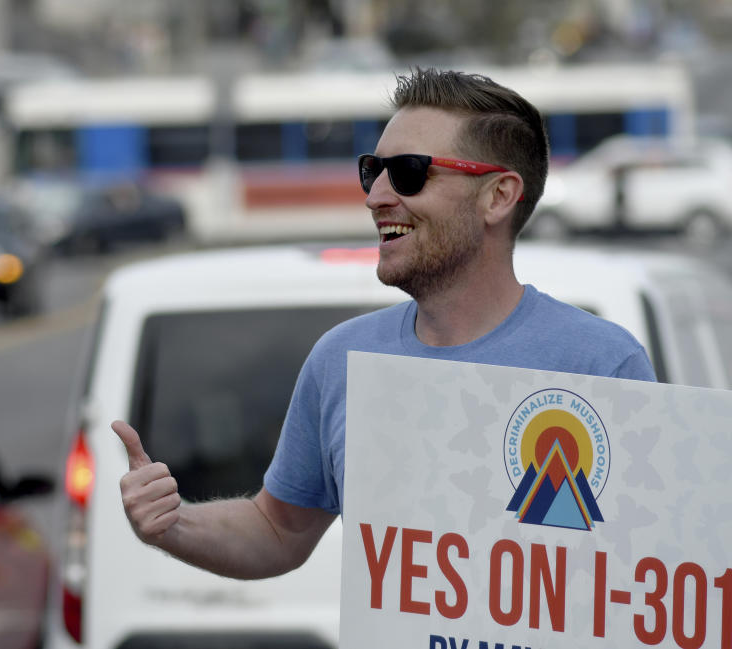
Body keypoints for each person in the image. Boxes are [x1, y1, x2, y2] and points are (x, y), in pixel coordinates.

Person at [111, 67, 656, 580]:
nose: (375, 197)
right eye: (372, 171)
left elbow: (654, 569)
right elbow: (278, 530)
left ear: (499, 196)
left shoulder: (604, 363)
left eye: (409, 173)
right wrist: (174, 524)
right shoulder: (341, 358)